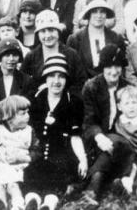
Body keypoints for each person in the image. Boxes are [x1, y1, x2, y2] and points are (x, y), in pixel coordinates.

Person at [24, 55, 87, 210]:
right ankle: (32, 200)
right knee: (31, 173)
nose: (56, 81)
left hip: (62, 153)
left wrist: (83, 159)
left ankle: (49, 203)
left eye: (61, 77)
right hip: (37, 152)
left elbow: (75, 136)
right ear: (45, 78)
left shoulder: (74, 102)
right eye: (52, 76)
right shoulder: (35, 99)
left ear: (66, 79)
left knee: (58, 173)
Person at [81, 44, 134, 207]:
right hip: (95, 139)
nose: (113, 71)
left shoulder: (127, 88)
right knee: (112, 143)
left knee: (118, 143)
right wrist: (98, 136)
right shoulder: (92, 87)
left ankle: (94, 187)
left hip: (122, 140)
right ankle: (102, 183)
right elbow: (88, 120)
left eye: (117, 66)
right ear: (102, 68)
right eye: (109, 66)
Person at [0, 95, 39, 210]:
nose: (28, 116)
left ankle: (18, 204)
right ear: (9, 118)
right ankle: (0, 203)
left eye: (27, 112)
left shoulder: (29, 131)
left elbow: (37, 150)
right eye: (22, 114)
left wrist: (25, 158)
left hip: (17, 166)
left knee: (13, 185)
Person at [21, 10, 86, 94]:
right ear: (38, 34)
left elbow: (81, 83)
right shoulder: (31, 56)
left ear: (58, 32)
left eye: (51, 30)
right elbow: (23, 84)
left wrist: (62, 92)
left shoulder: (71, 55)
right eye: (43, 31)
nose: (47, 35)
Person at [68, 0, 125, 79]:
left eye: (102, 11)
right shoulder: (75, 39)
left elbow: (121, 68)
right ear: (88, 14)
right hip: (83, 86)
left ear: (106, 14)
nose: (99, 16)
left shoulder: (116, 38)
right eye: (94, 11)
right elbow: (71, 70)